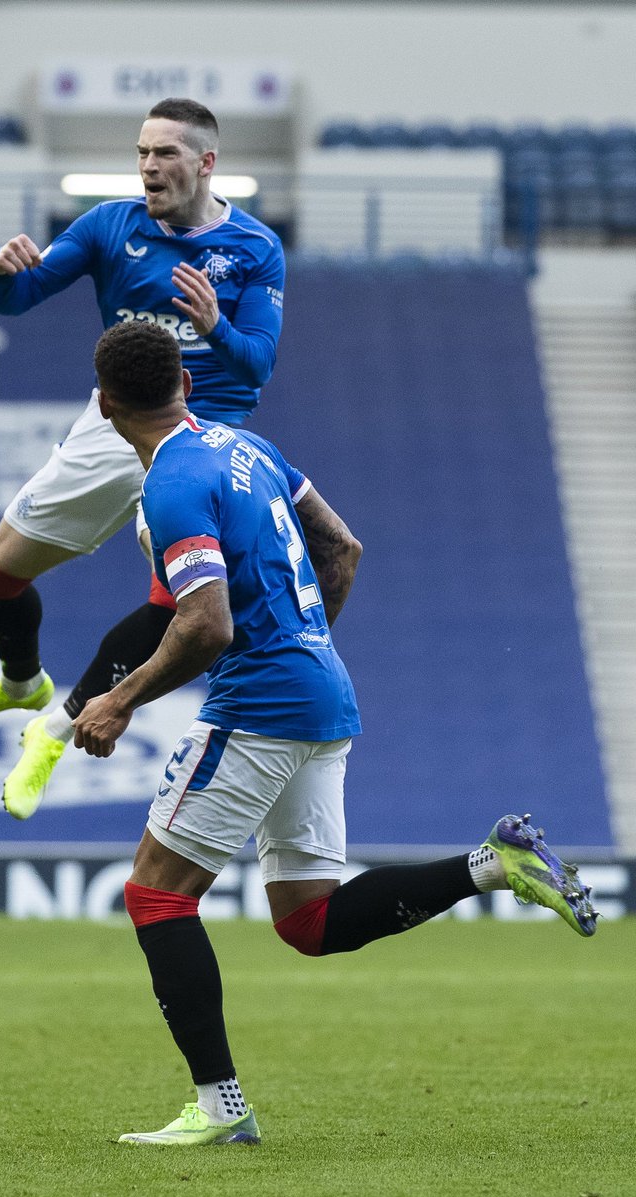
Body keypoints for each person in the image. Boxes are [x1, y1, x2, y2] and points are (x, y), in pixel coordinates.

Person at [71, 320, 598, 1146]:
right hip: (322, 691)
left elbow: (205, 625)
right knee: (309, 921)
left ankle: (221, 1108)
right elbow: (342, 546)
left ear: (104, 406)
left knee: (156, 894)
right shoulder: (250, 448)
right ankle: (495, 864)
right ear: (187, 383)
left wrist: (119, 699)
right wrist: (305, 643)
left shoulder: (171, 484)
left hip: (261, 704)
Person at [0, 97, 285, 818]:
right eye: (142, 153)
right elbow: (18, 297)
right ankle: (20, 684)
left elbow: (256, 366)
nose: (149, 166)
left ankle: (55, 730)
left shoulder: (255, 249)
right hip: (112, 419)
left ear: (206, 163)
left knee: (181, 604)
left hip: (199, 435)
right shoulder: (108, 226)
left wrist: (215, 326)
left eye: (166, 154)